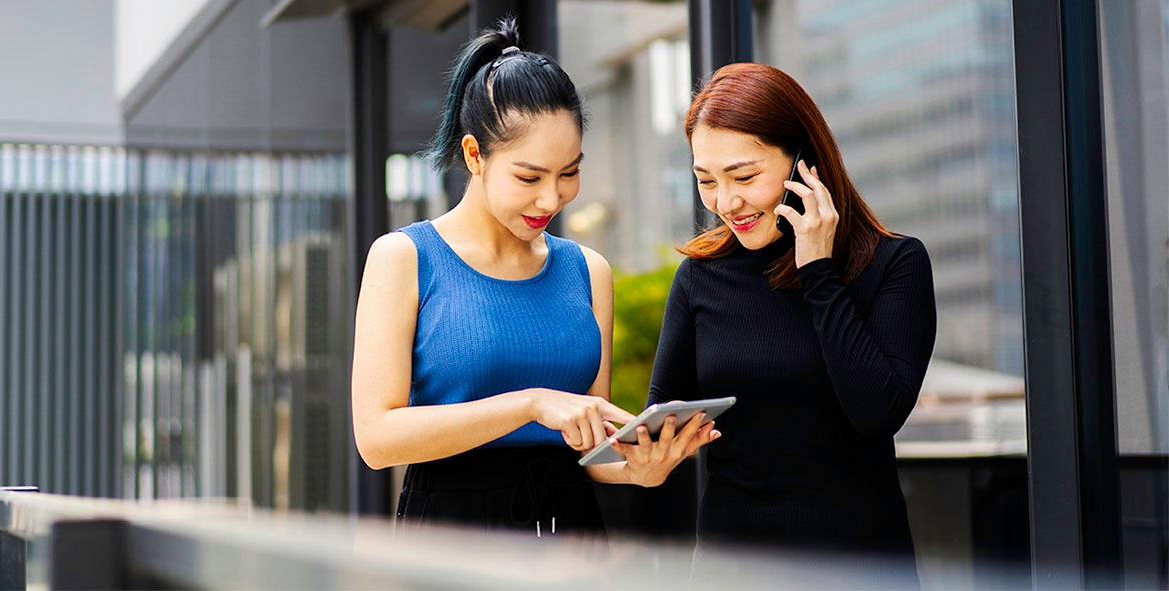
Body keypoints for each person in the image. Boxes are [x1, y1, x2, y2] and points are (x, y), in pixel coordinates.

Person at [350, 19, 718, 537]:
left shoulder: (589, 271)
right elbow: (376, 438)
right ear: (475, 155)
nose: (552, 199)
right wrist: (531, 403)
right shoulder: (405, 258)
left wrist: (639, 468)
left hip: (572, 535)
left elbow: (590, 449)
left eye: (569, 172)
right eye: (529, 177)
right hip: (451, 538)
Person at [636, 62, 936, 578]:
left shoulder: (895, 265)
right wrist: (646, 457)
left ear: (805, 162)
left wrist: (818, 270)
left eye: (744, 176)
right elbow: (662, 418)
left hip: (858, 567)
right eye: (706, 180)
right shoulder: (699, 278)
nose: (726, 202)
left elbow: (877, 413)